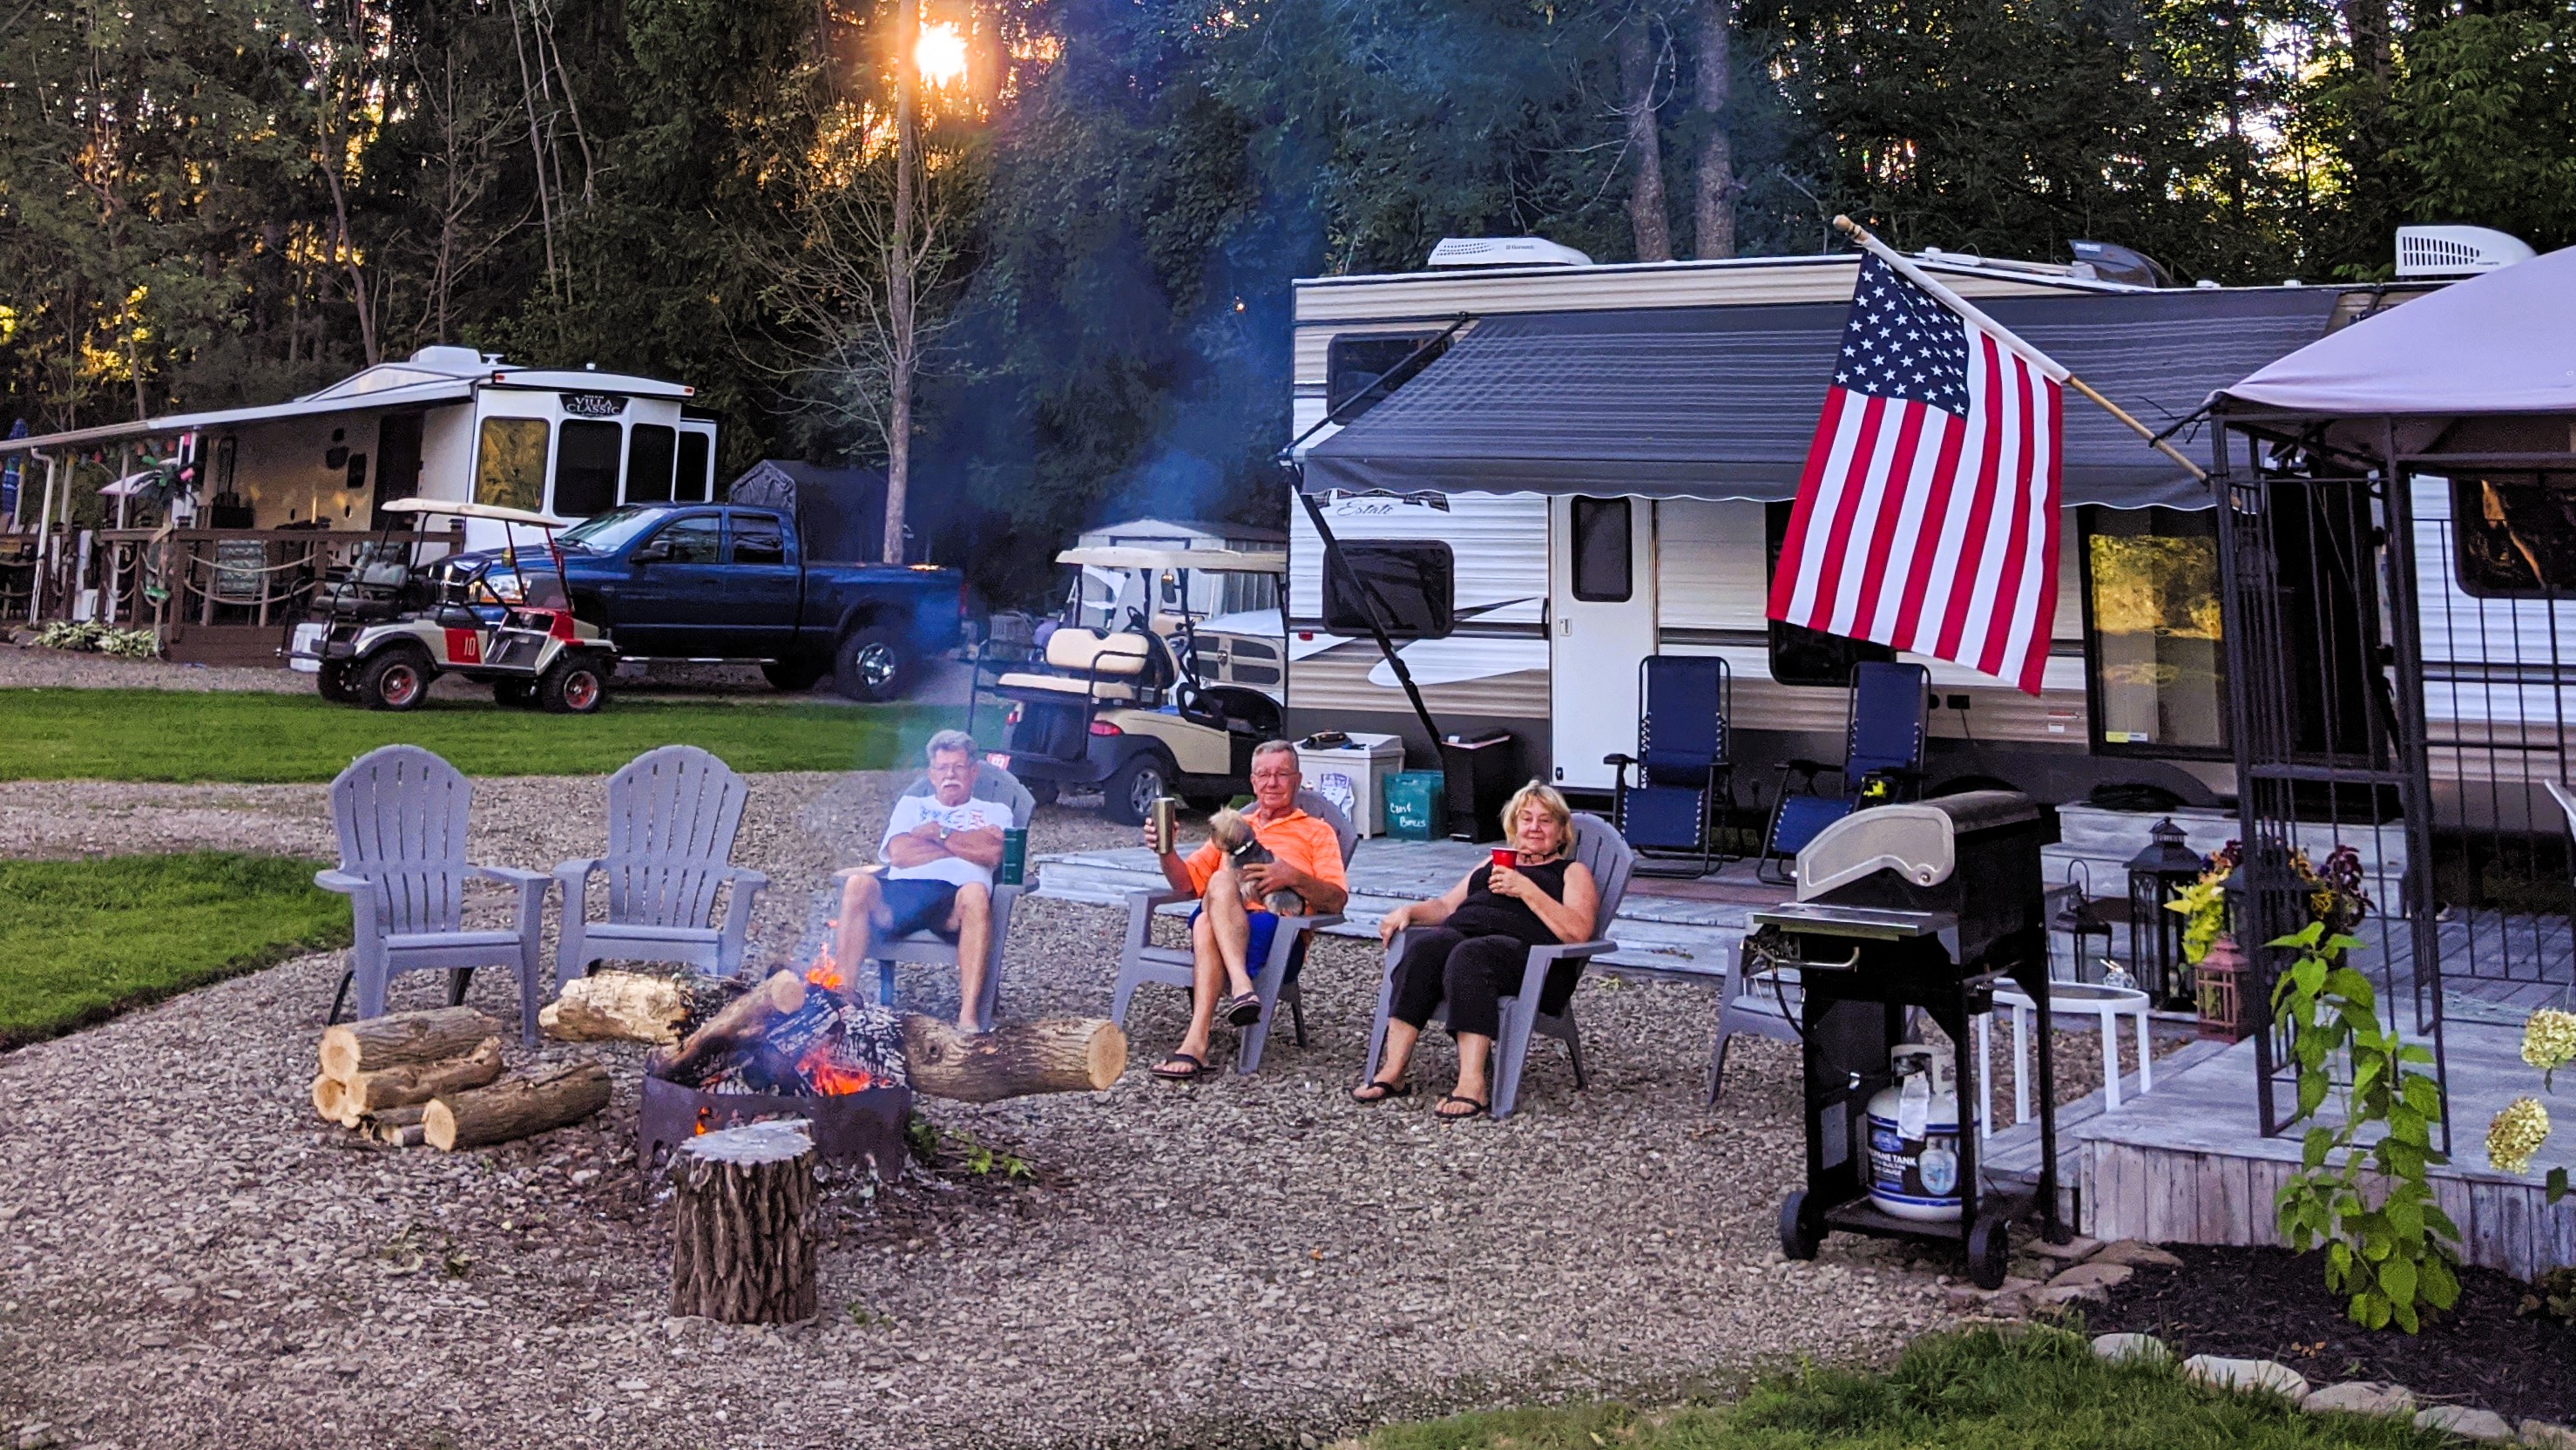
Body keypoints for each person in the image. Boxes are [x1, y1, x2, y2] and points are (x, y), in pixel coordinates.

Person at [1354, 781, 1599, 1120]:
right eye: (1526, 818)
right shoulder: (1492, 863)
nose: (1534, 827)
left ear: (1561, 832)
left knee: (1471, 955)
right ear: (1514, 826)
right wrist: (1408, 912)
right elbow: (1445, 906)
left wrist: (1526, 890)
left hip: (1529, 962)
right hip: (1467, 941)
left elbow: (1578, 931)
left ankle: (1472, 1084)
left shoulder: (1572, 872)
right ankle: (1394, 1071)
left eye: (1545, 820)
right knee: (1427, 948)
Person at [1143, 740, 1349, 1081]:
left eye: (1282, 774)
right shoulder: (1234, 827)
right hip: (1229, 918)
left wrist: (1292, 876)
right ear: (1252, 782)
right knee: (1221, 884)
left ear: (1297, 781)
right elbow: (1186, 885)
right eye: (1264, 775)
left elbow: (1337, 900)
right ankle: (1242, 988)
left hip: (1276, 936)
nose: (1272, 783)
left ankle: (1195, 1043)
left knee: (1207, 920)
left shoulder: (1317, 832)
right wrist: (1165, 851)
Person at [834, 730, 1015, 1031]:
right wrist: (964, 845)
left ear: (974, 772)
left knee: (976, 894)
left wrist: (938, 834)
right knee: (857, 884)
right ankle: (844, 1000)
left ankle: (968, 1018)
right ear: (931, 774)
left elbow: (991, 852)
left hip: (955, 903)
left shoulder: (995, 811)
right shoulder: (911, 806)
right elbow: (900, 853)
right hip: (902, 897)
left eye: (958, 767)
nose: (950, 775)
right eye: (943, 768)